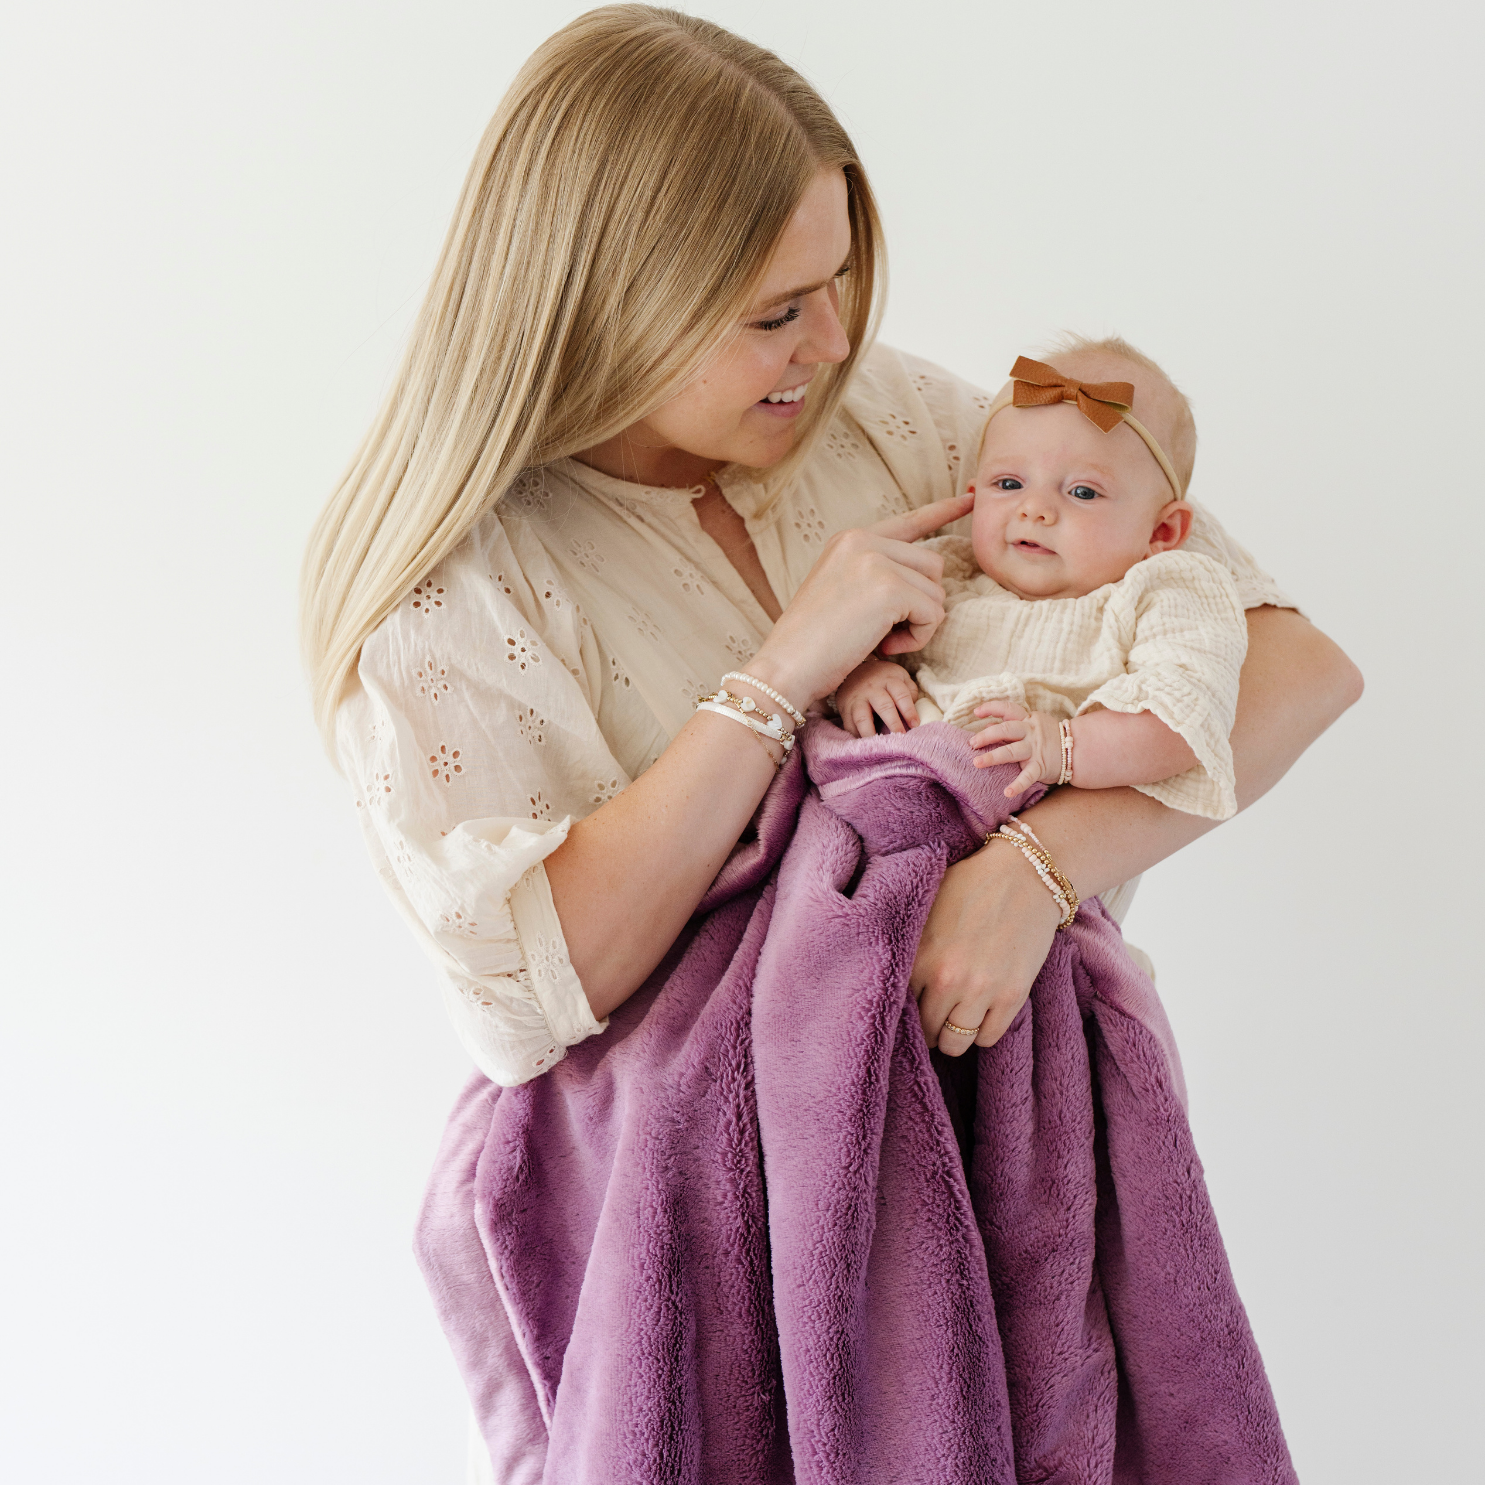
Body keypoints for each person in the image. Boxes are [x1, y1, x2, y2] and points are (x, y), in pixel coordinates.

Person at [300, 6, 1360, 1468]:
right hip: (711, 1255)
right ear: (612, 302)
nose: (836, 339)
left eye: (839, 280)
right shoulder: (455, 592)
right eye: (774, 312)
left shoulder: (887, 418)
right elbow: (534, 990)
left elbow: (1293, 670)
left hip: (1024, 1176)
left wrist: (1031, 874)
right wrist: (787, 666)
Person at [837, 338, 1248, 820]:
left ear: (1161, 531)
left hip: (1011, 817)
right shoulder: (942, 571)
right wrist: (864, 676)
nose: (1034, 509)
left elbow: (1184, 720)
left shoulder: (1159, 597)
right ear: (974, 495)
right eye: (1009, 484)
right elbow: (842, 642)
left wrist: (1066, 748)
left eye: (1082, 492)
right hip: (881, 788)